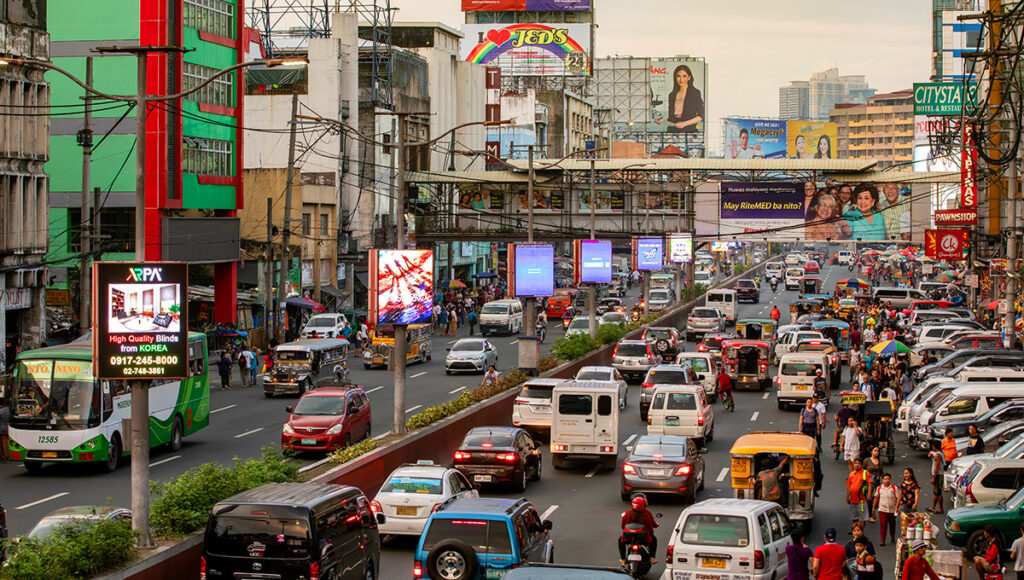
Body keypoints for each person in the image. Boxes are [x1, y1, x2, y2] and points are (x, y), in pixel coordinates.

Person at [619, 494, 659, 567]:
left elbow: (623, 527)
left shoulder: (628, 514)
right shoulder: (647, 514)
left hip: (628, 539)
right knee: (654, 539)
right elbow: (651, 528)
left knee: (620, 540)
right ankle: (652, 558)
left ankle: (623, 559)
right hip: (645, 539)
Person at [666, 64, 703, 133]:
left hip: (689, 130)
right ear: (675, 78)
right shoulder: (672, 95)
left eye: (684, 76)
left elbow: (700, 116)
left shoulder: (695, 93)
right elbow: (674, 116)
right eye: (678, 76)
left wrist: (684, 124)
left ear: (689, 77)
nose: (681, 79)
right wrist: (665, 120)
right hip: (673, 129)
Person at [875, 473, 899, 546]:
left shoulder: (894, 488)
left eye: (888, 479)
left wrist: (897, 508)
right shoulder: (879, 488)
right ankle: (883, 540)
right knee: (883, 525)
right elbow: (876, 498)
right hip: (882, 509)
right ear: (883, 480)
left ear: (890, 480)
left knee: (892, 524)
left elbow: (898, 498)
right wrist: (873, 508)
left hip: (892, 510)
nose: (886, 480)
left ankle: (892, 536)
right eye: (885, 479)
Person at [847, 458, 870, 527]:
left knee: (863, 517)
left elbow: (870, 485)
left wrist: (869, 495)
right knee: (854, 517)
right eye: (855, 463)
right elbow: (849, 487)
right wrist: (847, 497)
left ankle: (861, 531)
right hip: (853, 499)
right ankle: (856, 530)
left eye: (859, 463)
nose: (857, 465)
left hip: (862, 500)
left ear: (862, 465)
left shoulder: (865, 473)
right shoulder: (851, 474)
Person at [863, 447, 883, 522]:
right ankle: (870, 515)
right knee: (869, 499)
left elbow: (881, 472)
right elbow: (863, 470)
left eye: (878, 451)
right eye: (875, 451)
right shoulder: (867, 461)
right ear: (871, 452)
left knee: (876, 498)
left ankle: (873, 510)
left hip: (876, 482)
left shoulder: (880, 462)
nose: (876, 452)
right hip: (868, 482)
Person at [928, 441, 945, 514]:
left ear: (934, 447)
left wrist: (934, 477)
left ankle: (941, 509)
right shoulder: (939, 454)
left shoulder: (938, 455)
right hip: (938, 475)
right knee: (936, 493)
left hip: (938, 475)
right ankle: (933, 507)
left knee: (938, 493)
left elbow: (937, 467)